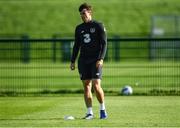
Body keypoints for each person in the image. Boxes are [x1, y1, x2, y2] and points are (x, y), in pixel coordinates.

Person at [70, 3, 107, 120]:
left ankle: (103, 109)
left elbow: (104, 43)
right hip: (83, 60)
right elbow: (76, 46)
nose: (82, 15)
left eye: (84, 13)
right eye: (81, 13)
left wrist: (101, 58)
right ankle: (89, 113)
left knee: (96, 86)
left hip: (96, 60)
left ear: (90, 13)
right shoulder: (79, 28)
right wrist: (72, 61)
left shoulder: (98, 25)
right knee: (86, 86)